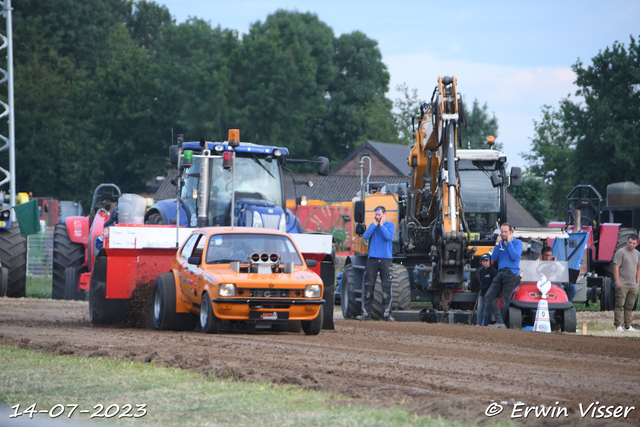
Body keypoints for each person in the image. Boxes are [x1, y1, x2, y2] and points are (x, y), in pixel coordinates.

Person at [357, 206, 396, 321]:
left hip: (386, 260)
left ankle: (387, 315)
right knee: (369, 286)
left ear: (384, 214)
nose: (377, 217)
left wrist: (381, 225)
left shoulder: (390, 225)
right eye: (376, 215)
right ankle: (366, 314)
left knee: (386, 287)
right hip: (373, 259)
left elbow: (388, 236)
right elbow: (365, 236)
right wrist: (374, 225)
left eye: (379, 215)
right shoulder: (372, 226)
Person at [484, 223, 522, 328]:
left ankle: (502, 323)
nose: (503, 234)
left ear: (511, 232)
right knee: (488, 296)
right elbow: (494, 258)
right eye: (502, 231)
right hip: (501, 272)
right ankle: (500, 322)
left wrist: (509, 243)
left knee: (506, 299)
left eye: (505, 232)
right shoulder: (500, 243)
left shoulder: (518, 243)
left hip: (511, 273)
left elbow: (514, 257)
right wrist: (497, 244)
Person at [612, 235, 640, 332]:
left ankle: (628, 326)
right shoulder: (620, 252)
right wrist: (617, 282)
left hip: (633, 285)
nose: (631, 244)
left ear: (637, 244)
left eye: (633, 243)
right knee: (619, 305)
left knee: (629, 306)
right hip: (623, 284)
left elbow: (638, 268)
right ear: (627, 241)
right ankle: (618, 326)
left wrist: (637, 283)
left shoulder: (637, 254)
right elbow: (616, 267)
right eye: (629, 242)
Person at [476, 254, 497, 325]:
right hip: (482, 293)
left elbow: (495, 283)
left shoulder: (493, 271)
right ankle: (478, 324)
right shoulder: (481, 271)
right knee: (479, 308)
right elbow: (481, 281)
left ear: (490, 261)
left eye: (486, 261)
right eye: (483, 261)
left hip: (490, 293)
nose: (484, 262)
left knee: (487, 309)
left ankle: (486, 324)